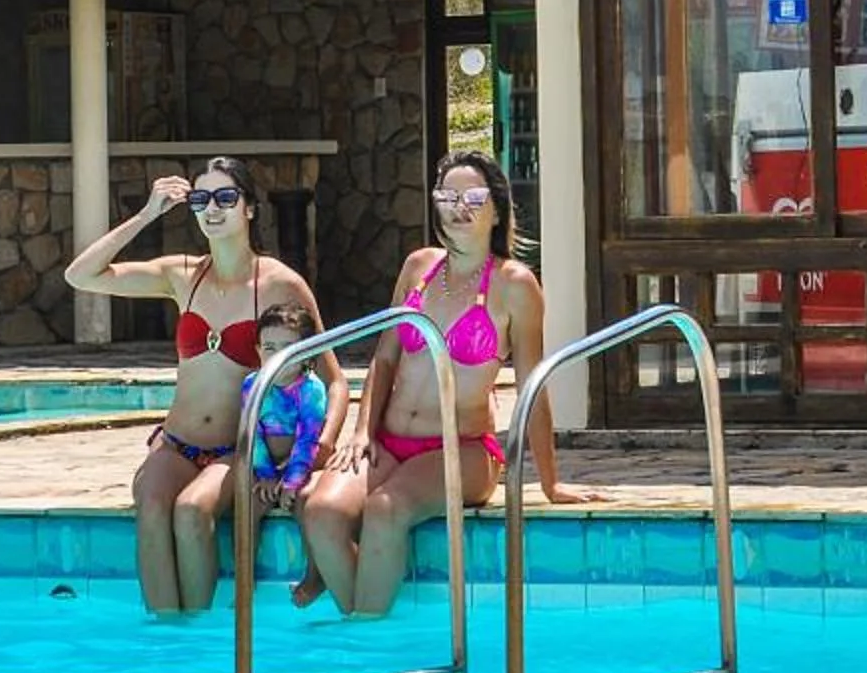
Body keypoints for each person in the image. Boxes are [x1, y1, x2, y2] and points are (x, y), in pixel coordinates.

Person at [296, 149, 592, 617]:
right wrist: (361, 431)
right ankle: (369, 629)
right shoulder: (419, 268)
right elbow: (385, 358)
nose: (459, 207)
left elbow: (534, 387)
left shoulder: (515, 285)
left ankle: (363, 641)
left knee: (386, 511)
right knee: (321, 512)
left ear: (497, 207)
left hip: (462, 449)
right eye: (447, 196)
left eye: (473, 196)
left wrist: (551, 483)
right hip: (389, 441)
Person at [63, 157, 338, 616]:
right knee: (151, 506)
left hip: (237, 450)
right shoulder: (182, 275)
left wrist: (321, 446)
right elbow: (81, 275)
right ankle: (166, 643)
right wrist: (148, 214)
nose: (213, 209)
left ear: (249, 209)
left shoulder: (279, 285)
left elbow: (331, 378)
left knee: (192, 512)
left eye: (226, 198)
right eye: (200, 199)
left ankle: (200, 640)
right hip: (176, 443)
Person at [244, 303, 327, 514]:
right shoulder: (253, 386)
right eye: (269, 348)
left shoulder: (311, 389)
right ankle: (245, 547)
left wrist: (292, 481)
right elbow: (253, 435)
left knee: (303, 504)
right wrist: (266, 475)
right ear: (258, 350)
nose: (277, 357)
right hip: (264, 466)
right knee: (249, 507)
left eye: (287, 349)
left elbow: (308, 438)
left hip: (302, 462)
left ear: (307, 353)